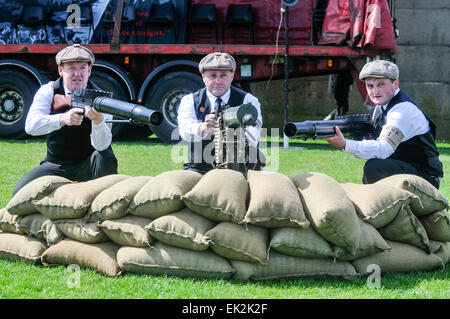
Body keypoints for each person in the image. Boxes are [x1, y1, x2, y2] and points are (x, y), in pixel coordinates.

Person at [13, 44, 118, 195]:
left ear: (89, 70)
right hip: (55, 164)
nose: (78, 74)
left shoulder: (102, 99)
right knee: (19, 193)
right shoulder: (48, 91)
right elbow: (31, 126)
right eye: (71, 68)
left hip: (88, 165)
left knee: (105, 155)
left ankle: (105, 204)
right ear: (60, 70)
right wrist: (63, 119)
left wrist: (97, 121)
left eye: (82, 68)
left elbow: (102, 146)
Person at [323, 59, 443, 189]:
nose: (375, 91)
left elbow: (383, 149)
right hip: (407, 167)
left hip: (427, 176)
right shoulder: (382, 106)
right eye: (370, 86)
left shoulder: (402, 110)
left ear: (395, 83)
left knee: (375, 167)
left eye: (381, 84)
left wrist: (344, 144)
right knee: (375, 165)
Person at [177, 52, 264, 174]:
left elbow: (254, 138)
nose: (218, 81)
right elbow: (184, 132)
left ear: (232, 75)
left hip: (242, 169)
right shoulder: (190, 100)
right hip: (199, 169)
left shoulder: (248, 101)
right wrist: (203, 127)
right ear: (203, 76)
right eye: (212, 76)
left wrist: (233, 127)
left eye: (223, 75)